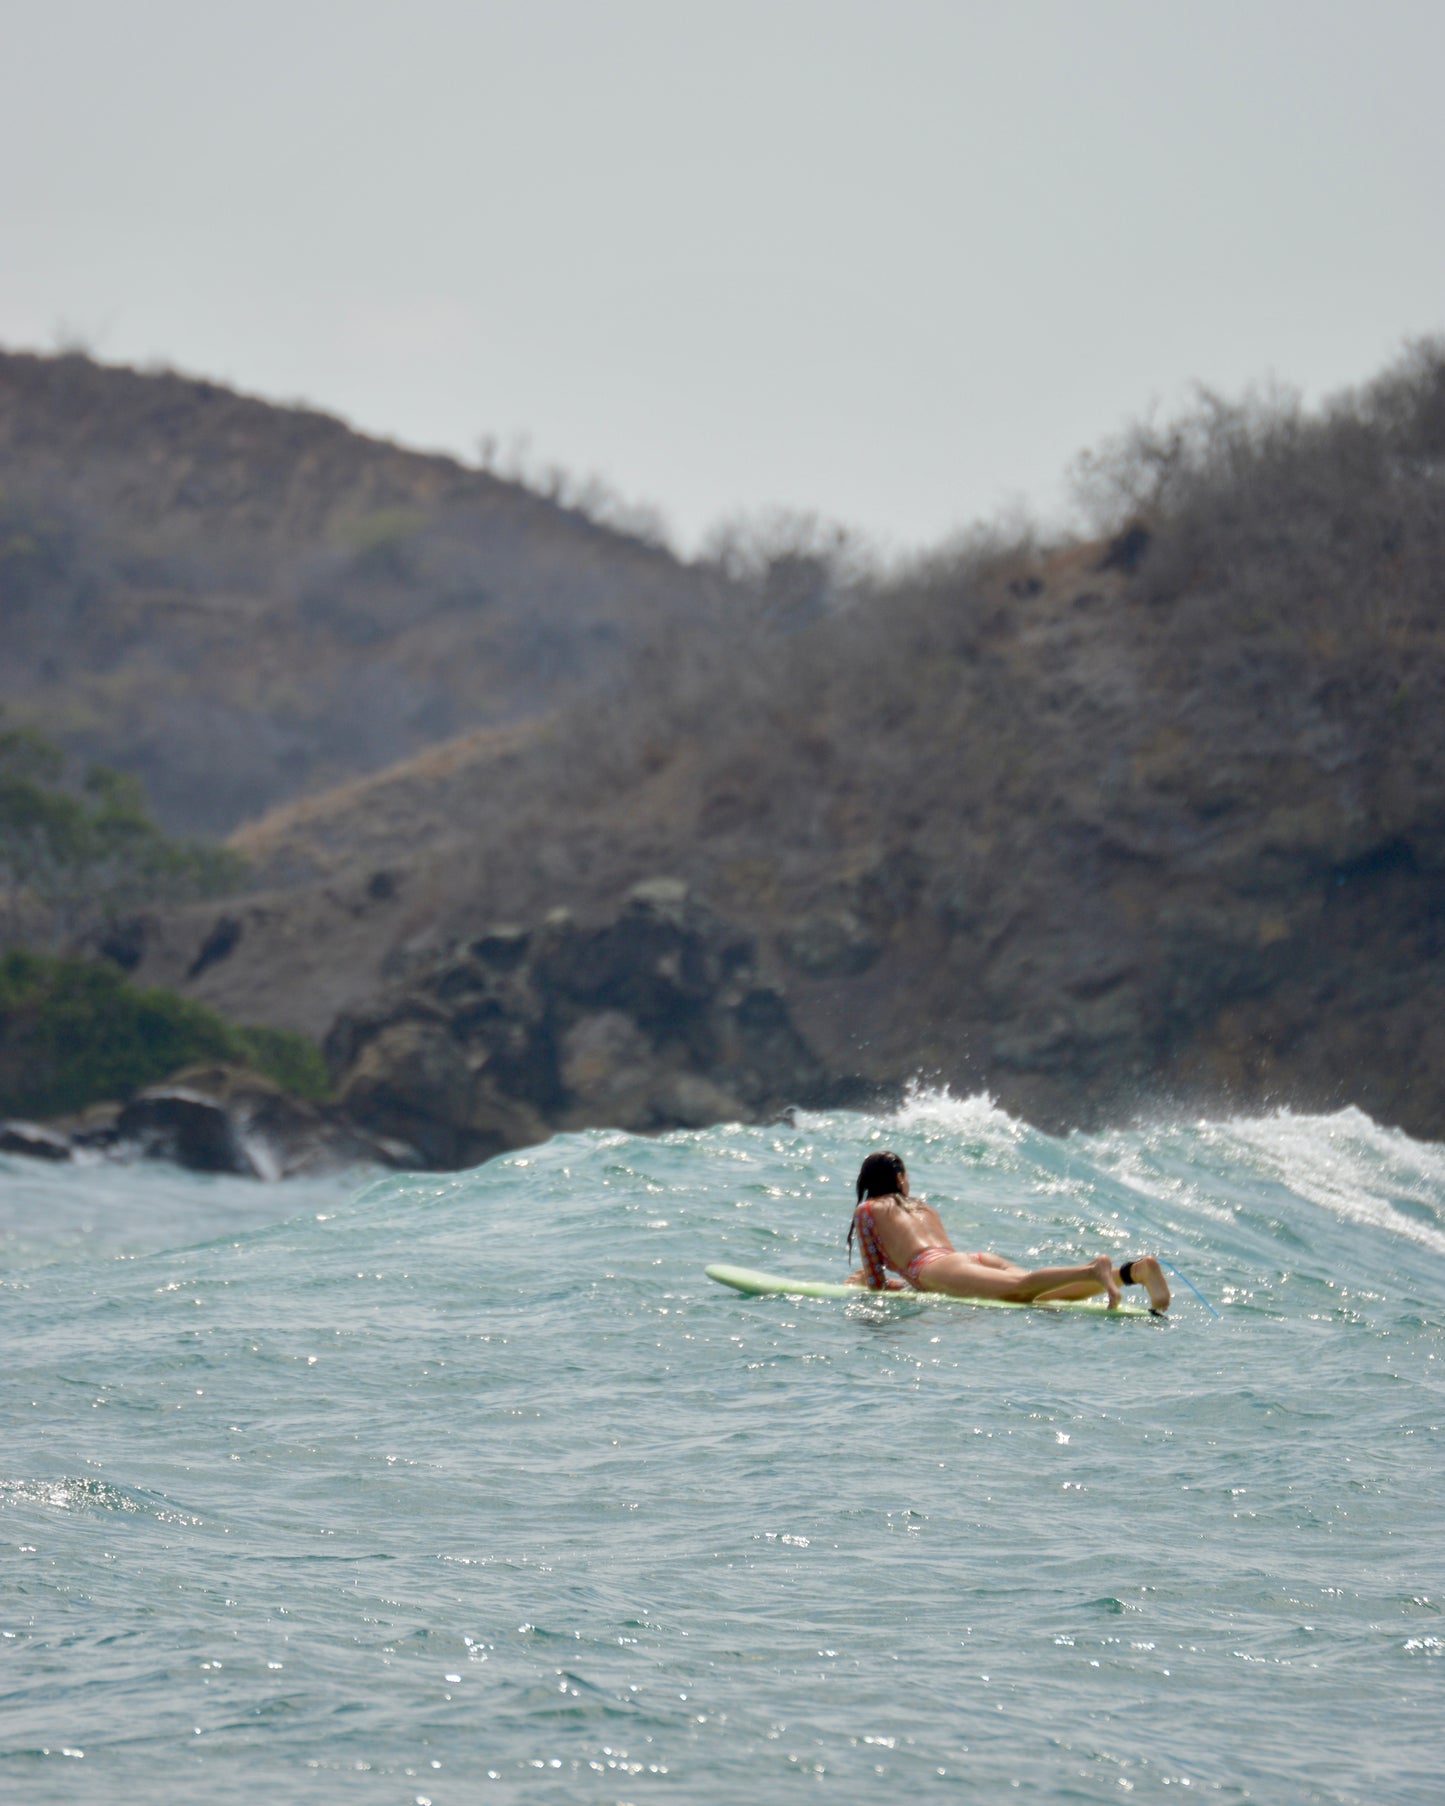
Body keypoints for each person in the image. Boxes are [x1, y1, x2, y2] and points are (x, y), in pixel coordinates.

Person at [845, 1149, 1170, 1312]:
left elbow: (876, 1283)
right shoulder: (922, 1207)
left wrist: (868, 1281)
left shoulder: (867, 1211)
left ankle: (1092, 1268)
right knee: (1042, 1296)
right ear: (900, 1179)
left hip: (934, 1267)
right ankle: (1133, 1273)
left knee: (1023, 1288)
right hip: (967, 1260)